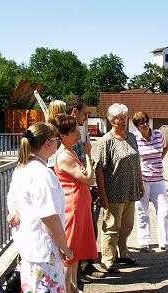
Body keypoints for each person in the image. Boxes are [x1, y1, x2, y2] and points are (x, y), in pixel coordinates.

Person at [6, 122, 72, 293]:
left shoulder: (23, 168)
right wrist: (65, 247)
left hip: (29, 248)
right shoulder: (42, 174)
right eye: (56, 139)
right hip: (45, 252)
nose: (58, 143)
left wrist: (13, 210)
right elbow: (49, 217)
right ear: (48, 143)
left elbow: (12, 195)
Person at [50, 114, 98, 293]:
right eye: (73, 132)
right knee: (69, 251)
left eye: (77, 130)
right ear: (62, 135)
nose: (78, 134)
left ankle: (73, 290)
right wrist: (88, 155)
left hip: (79, 204)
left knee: (75, 251)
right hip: (73, 206)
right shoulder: (64, 156)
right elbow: (89, 179)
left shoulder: (69, 152)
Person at [94, 103, 144, 273]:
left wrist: (141, 183)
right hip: (114, 191)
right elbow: (99, 168)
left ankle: (123, 254)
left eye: (125, 118)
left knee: (127, 225)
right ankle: (107, 259)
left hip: (131, 189)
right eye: (120, 119)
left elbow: (137, 162)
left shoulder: (131, 137)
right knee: (112, 226)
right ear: (111, 120)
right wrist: (102, 194)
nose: (124, 121)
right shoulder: (107, 141)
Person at [66, 96, 105, 280]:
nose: (86, 117)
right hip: (73, 194)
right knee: (75, 237)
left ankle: (86, 266)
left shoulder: (77, 131)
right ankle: (76, 275)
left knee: (87, 232)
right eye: (85, 113)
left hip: (83, 189)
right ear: (75, 112)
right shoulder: (64, 134)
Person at [132, 111, 168, 253]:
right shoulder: (134, 138)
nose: (145, 124)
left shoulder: (158, 135)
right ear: (137, 126)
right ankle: (144, 242)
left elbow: (165, 147)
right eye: (141, 122)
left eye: (146, 121)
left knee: (164, 211)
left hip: (158, 179)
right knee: (142, 212)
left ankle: (165, 242)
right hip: (143, 180)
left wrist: (159, 159)